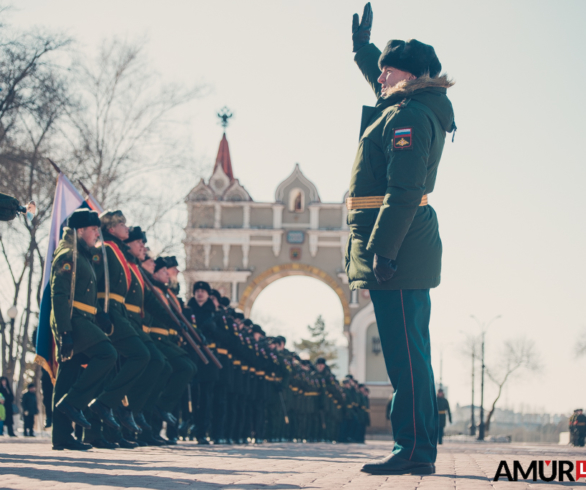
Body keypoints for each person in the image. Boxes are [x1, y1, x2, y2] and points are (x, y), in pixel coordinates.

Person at [346, 3, 455, 476]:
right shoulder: (408, 102)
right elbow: (380, 74)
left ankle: (412, 449)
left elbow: (405, 189)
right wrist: (363, 49)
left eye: (386, 70)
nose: (380, 76)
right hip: (401, 244)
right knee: (409, 351)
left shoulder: (407, 116)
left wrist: (383, 252)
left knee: (406, 355)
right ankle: (417, 444)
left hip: (399, 245)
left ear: (404, 75)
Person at [51, 208, 118, 451]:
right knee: (107, 354)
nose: (96, 234)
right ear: (80, 231)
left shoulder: (83, 255)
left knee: (67, 375)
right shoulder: (68, 255)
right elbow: (59, 294)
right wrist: (64, 332)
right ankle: (73, 403)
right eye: (93, 229)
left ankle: (61, 436)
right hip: (73, 320)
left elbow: (86, 293)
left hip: (84, 319)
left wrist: (99, 313)